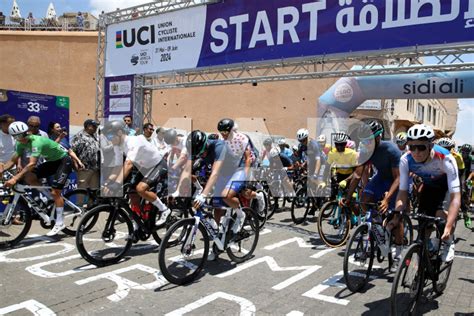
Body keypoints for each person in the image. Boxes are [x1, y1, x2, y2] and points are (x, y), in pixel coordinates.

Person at [342, 120, 403, 271]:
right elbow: (357, 174)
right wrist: (349, 197)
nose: (366, 144)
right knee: (364, 200)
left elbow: (398, 178)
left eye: (369, 141)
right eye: (363, 141)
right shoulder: (365, 150)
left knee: (396, 215)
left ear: (378, 137)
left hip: (399, 179)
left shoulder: (391, 149)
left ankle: (397, 254)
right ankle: (377, 229)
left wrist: (387, 199)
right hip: (381, 177)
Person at [395, 124, 461, 262]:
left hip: (446, 186)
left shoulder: (446, 159)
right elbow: (402, 192)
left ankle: (449, 242)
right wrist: (397, 214)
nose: (416, 152)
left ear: (430, 146)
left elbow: (455, 198)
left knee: (441, 215)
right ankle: (421, 271)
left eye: (421, 147)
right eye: (412, 147)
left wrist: (448, 227)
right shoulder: (406, 160)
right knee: (423, 225)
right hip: (429, 186)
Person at [0, 122, 73, 236]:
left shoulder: (36, 142)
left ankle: (59, 222)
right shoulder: (20, 144)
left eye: (22, 135)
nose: (20, 139)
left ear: (27, 132)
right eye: (16, 137)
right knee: (29, 177)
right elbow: (13, 160)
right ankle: (49, 198)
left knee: (56, 192)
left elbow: (32, 164)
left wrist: (15, 177)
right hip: (52, 162)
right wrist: (2, 168)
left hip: (64, 161)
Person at [102, 120, 171, 226]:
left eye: (110, 136)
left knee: (140, 188)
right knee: (132, 193)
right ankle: (138, 221)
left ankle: (164, 209)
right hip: (143, 167)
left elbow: (128, 164)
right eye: (107, 137)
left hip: (158, 165)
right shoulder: (117, 145)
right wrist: (108, 182)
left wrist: (116, 184)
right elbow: (118, 166)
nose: (109, 139)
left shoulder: (133, 141)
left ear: (120, 133)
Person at [71, 119, 100, 190]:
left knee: (94, 191)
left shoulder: (94, 136)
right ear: (88, 126)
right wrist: (75, 163)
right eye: (94, 126)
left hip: (95, 168)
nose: (96, 128)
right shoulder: (79, 136)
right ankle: (80, 202)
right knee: (82, 190)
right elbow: (72, 150)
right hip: (84, 168)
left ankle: (91, 202)